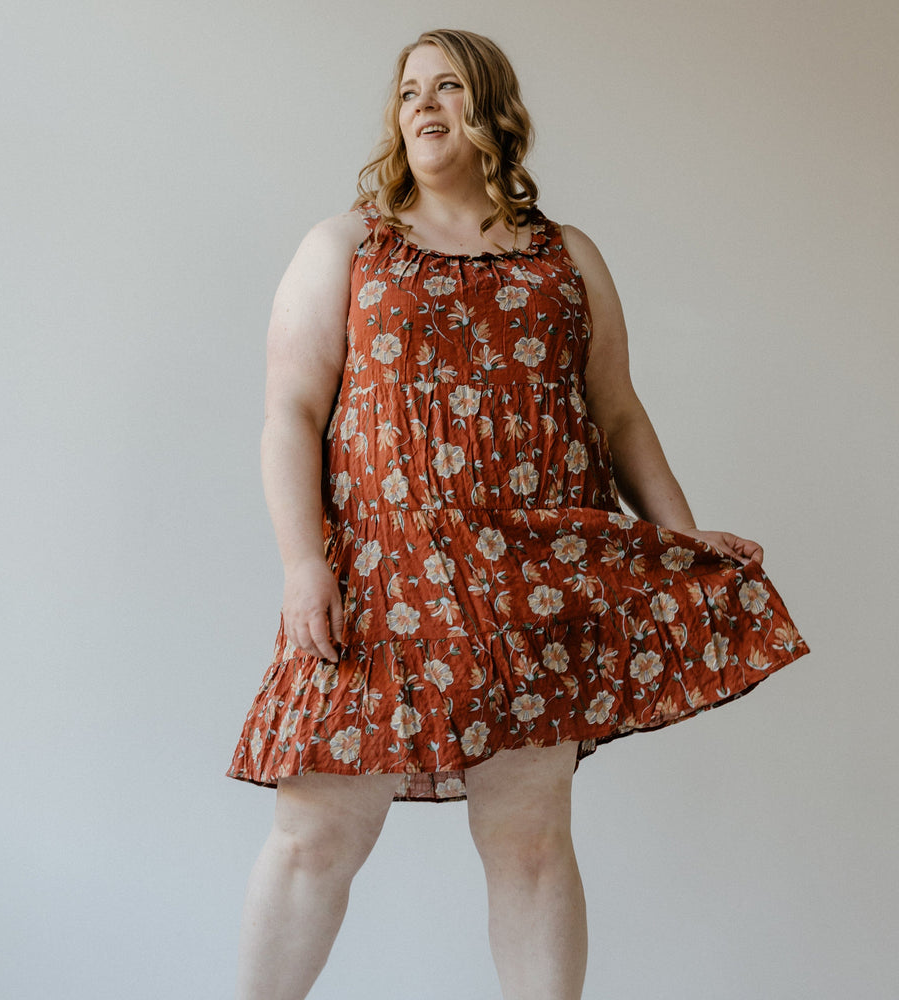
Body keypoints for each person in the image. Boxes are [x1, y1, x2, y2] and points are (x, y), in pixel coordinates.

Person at [227, 28, 809, 1000]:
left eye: (446, 85)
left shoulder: (564, 256)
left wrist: (678, 540)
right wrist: (301, 561)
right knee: (313, 833)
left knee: (530, 839)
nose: (422, 104)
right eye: (408, 89)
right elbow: (290, 410)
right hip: (381, 574)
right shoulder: (348, 245)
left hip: (530, 581)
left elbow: (616, 414)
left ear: (490, 107)